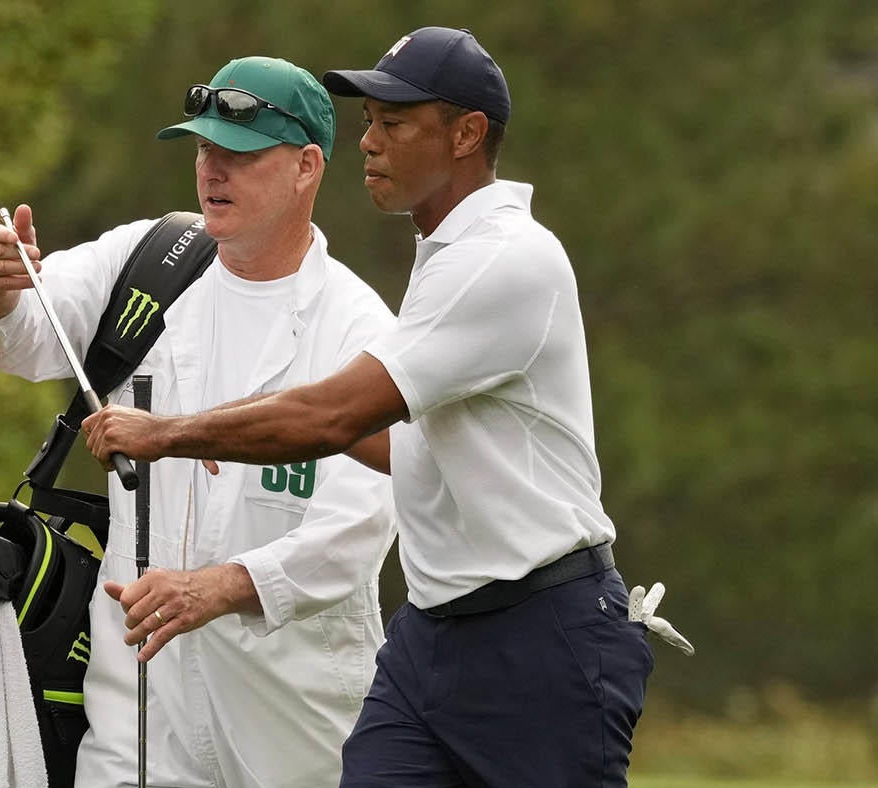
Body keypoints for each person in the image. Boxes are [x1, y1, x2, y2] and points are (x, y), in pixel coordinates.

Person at [84, 27, 656, 787]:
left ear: (466, 134)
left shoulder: (504, 258)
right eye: (366, 124)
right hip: (431, 639)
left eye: (394, 123)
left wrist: (174, 433)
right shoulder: (445, 255)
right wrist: (235, 420)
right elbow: (405, 447)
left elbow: (333, 418)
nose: (369, 143)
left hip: (541, 635)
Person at [0, 56, 397, 788]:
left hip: (297, 722)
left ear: (307, 167)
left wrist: (216, 586)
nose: (213, 172)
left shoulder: (358, 330)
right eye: (203, 149)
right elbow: (27, 329)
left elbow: (356, 535)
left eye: (240, 155)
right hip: (139, 713)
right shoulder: (153, 260)